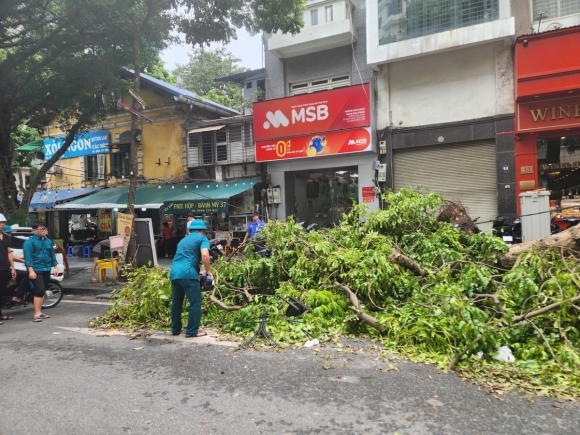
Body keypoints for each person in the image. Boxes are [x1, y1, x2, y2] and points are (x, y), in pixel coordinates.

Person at [169, 219, 212, 338]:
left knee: (176, 302)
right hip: (188, 273)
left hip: (174, 273)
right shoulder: (202, 238)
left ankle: (175, 329)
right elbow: (204, 255)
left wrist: (196, 272)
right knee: (195, 302)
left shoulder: (182, 240)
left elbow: (184, 257)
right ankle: (192, 331)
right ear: (202, 231)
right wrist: (208, 271)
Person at [23, 220, 58, 322]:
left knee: (42, 290)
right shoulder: (29, 242)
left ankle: (39, 312)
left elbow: (52, 254)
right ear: (35, 230)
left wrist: (55, 266)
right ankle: (36, 314)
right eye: (41, 229)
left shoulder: (48, 241)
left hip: (46, 268)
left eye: (45, 229)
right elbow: (28, 258)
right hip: (36, 269)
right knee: (39, 290)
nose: (44, 231)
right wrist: (31, 271)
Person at [0, 217, 17, 324]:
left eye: (3, 222)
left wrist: (13, 267)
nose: (2, 224)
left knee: (2, 292)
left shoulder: (6, 237)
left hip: (5, 268)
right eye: (0, 222)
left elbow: (9, 253)